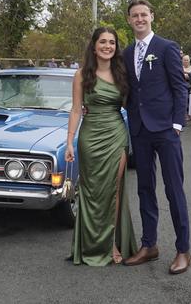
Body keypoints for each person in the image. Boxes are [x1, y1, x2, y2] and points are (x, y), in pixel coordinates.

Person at [121, 0, 191, 275]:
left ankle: (183, 249)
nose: (139, 19)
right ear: (129, 20)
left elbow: (180, 87)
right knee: (144, 189)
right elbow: (128, 89)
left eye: (143, 14)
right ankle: (149, 245)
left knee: (174, 190)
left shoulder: (166, 47)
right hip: (139, 130)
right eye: (134, 15)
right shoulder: (127, 53)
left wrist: (176, 124)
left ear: (152, 16)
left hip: (165, 130)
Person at [65, 27, 138, 266]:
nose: (108, 46)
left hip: (116, 135)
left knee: (114, 191)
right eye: (103, 42)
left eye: (112, 43)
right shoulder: (81, 75)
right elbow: (76, 109)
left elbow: (134, 103)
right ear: (94, 46)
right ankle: (89, 245)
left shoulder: (122, 73)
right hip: (90, 137)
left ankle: (112, 245)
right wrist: (69, 142)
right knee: (92, 192)